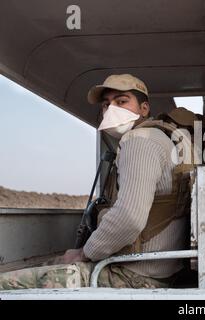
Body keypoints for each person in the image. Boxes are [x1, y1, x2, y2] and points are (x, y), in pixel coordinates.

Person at [0, 74, 188, 290]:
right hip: (161, 272)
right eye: (106, 105)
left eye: (122, 101)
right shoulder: (163, 138)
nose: (111, 109)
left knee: (9, 284)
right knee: (52, 264)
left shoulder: (139, 141)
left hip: (132, 276)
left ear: (144, 109)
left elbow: (129, 218)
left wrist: (84, 252)